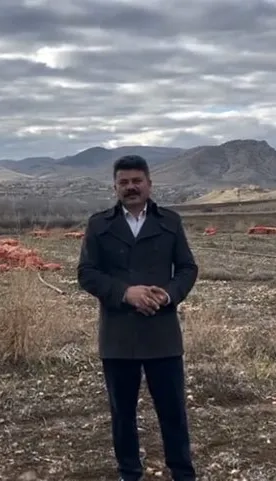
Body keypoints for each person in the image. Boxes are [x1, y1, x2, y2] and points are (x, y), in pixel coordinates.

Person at [77, 155, 199, 481]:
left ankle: (183, 473)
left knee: (173, 412)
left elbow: (187, 268)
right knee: (123, 415)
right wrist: (125, 293)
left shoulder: (170, 221)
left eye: (136, 181)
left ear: (149, 184)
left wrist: (168, 295)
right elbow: (87, 273)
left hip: (162, 333)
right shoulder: (99, 225)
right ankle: (129, 473)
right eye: (124, 182)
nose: (131, 187)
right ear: (115, 187)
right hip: (118, 335)